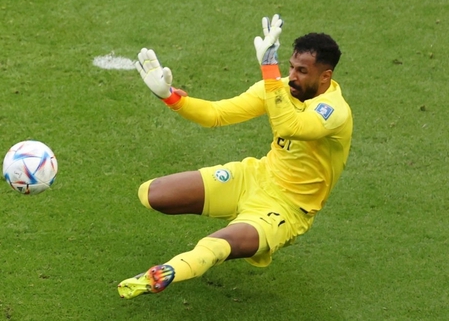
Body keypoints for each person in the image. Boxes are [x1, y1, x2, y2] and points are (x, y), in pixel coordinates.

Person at [118, 16, 352, 298]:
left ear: (325, 76)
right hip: (254, 177)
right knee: (152, 193)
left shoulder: (334, 112)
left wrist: (268, 70)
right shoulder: (279, 88)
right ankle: (215, 230)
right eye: (290, 67)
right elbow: (217, 114)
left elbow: (290, 126)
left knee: (214, 246)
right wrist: (169, 96)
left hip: (287, 209)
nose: (292, 76)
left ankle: (163, 273)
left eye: (302, 71)